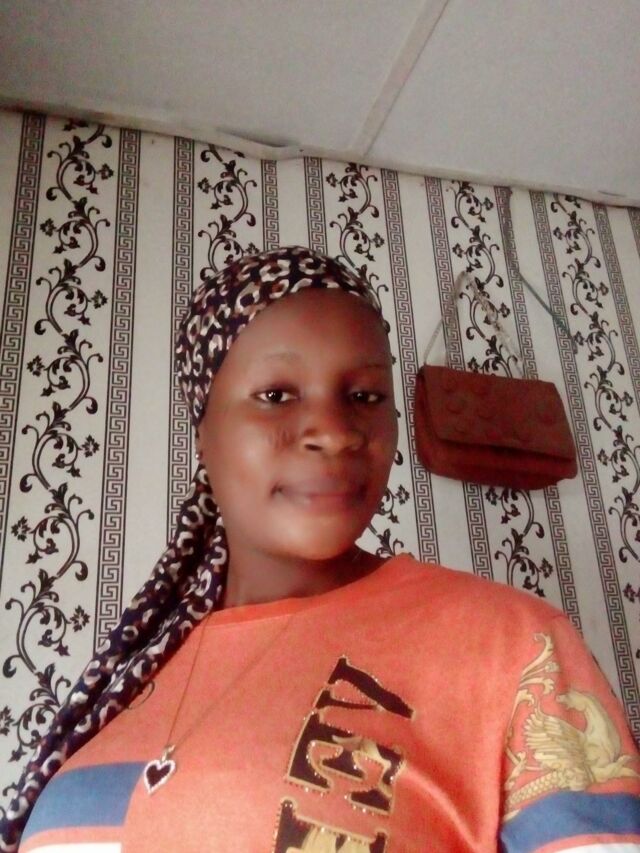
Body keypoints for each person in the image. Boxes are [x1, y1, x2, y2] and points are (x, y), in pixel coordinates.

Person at [1, 245, 639, 852]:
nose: (335, 432)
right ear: (204, 430)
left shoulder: (509, 644)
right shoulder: (131, 675)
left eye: (364, 397)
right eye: (277, 395)